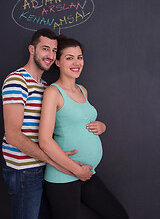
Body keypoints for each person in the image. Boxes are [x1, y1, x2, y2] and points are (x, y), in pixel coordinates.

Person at [1, 28, 106, 219]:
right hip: (24, 171)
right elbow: (13, 135)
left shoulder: (43, 86)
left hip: (42, 167)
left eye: (53, 50)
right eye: (45, 49)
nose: (49, 55)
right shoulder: (17, 81)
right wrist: (56, 162)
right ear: (32, 50)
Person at [38, 35, 129, 219]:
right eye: (69, 58)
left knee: (119, 215)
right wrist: (76, 169)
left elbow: (81, 120)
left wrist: (101, 126)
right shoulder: (53, 92)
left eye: (79, 57)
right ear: (57, 62)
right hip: (63, 175)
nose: (76, 62)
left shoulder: (82, 90)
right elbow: (45, 141)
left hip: (86, 173)